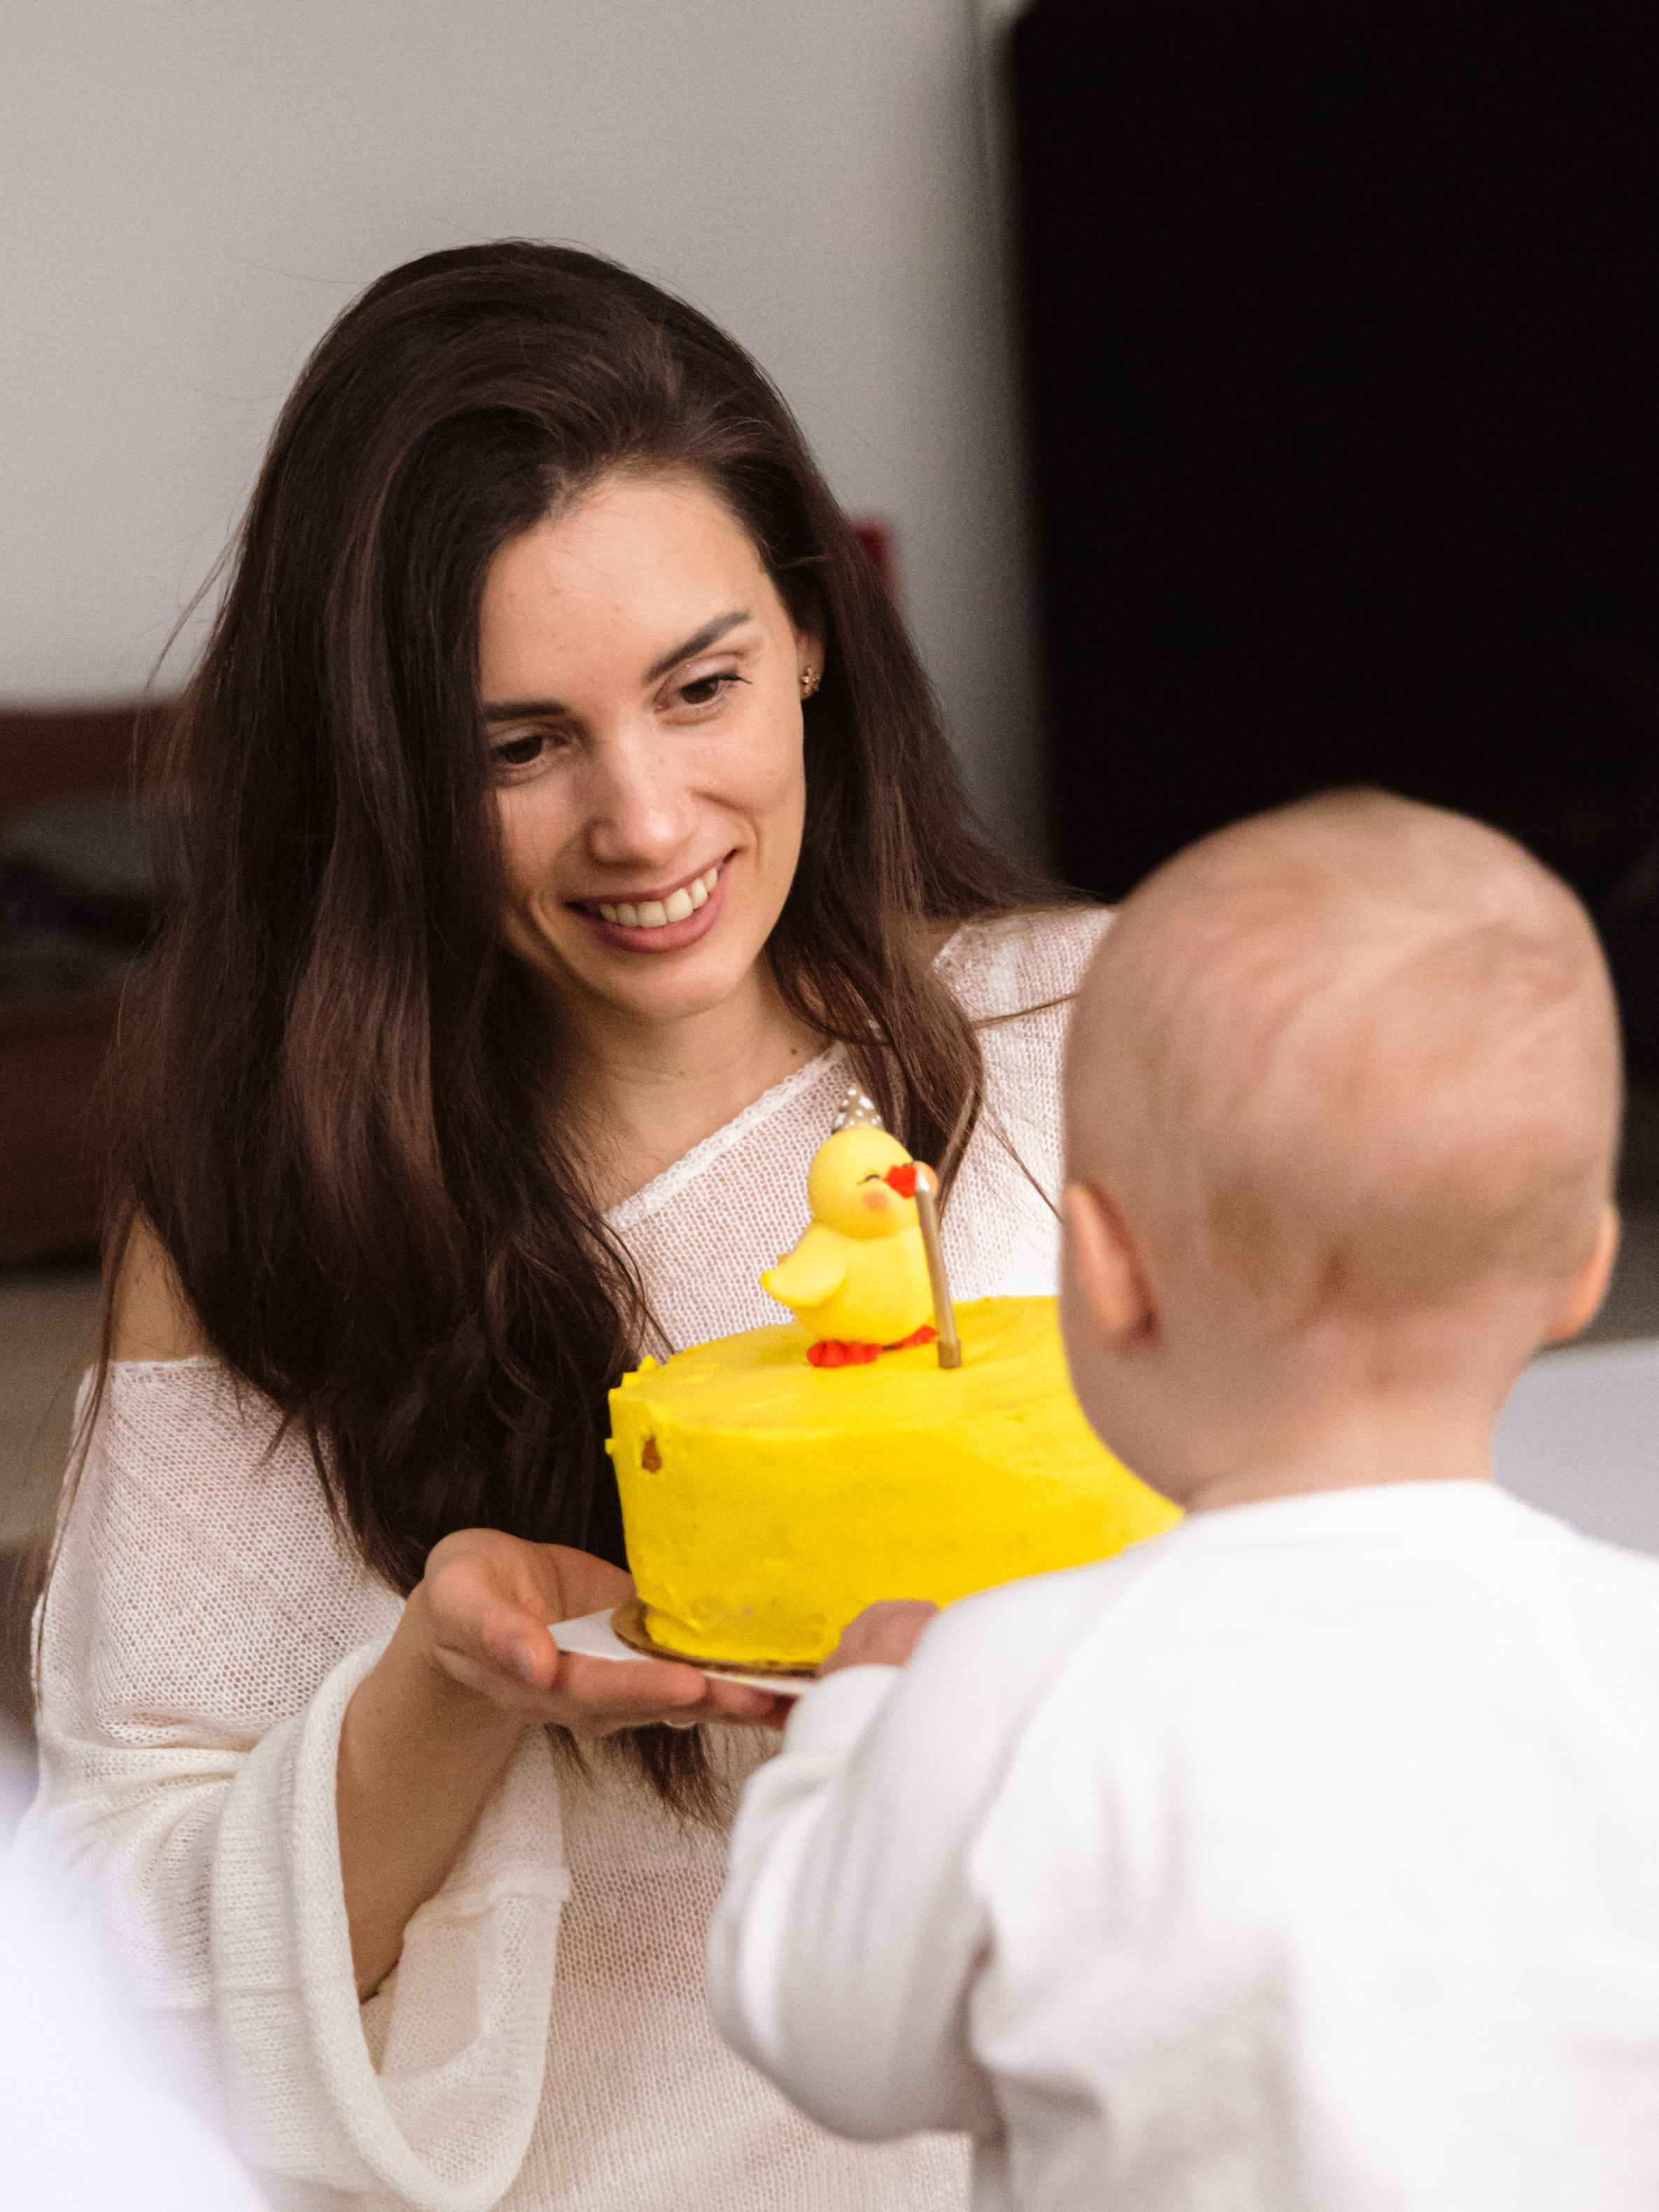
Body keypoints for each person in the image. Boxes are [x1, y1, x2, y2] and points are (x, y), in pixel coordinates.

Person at [20, 242, 1102, 2212]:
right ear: (383, 767)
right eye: (517, 746)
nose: (646, 821)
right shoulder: (268, 1212)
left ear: (810, 635)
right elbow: (123, 1964)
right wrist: (447, 1690)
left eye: (700, 686)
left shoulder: (1088, 1043)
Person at [709, 791, 1659, 2211]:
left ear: (1104, 1269)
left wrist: (852, 1724)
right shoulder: (1636, 1655)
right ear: (1583, 1273)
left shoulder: (1005, 1684)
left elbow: (832, 2045)